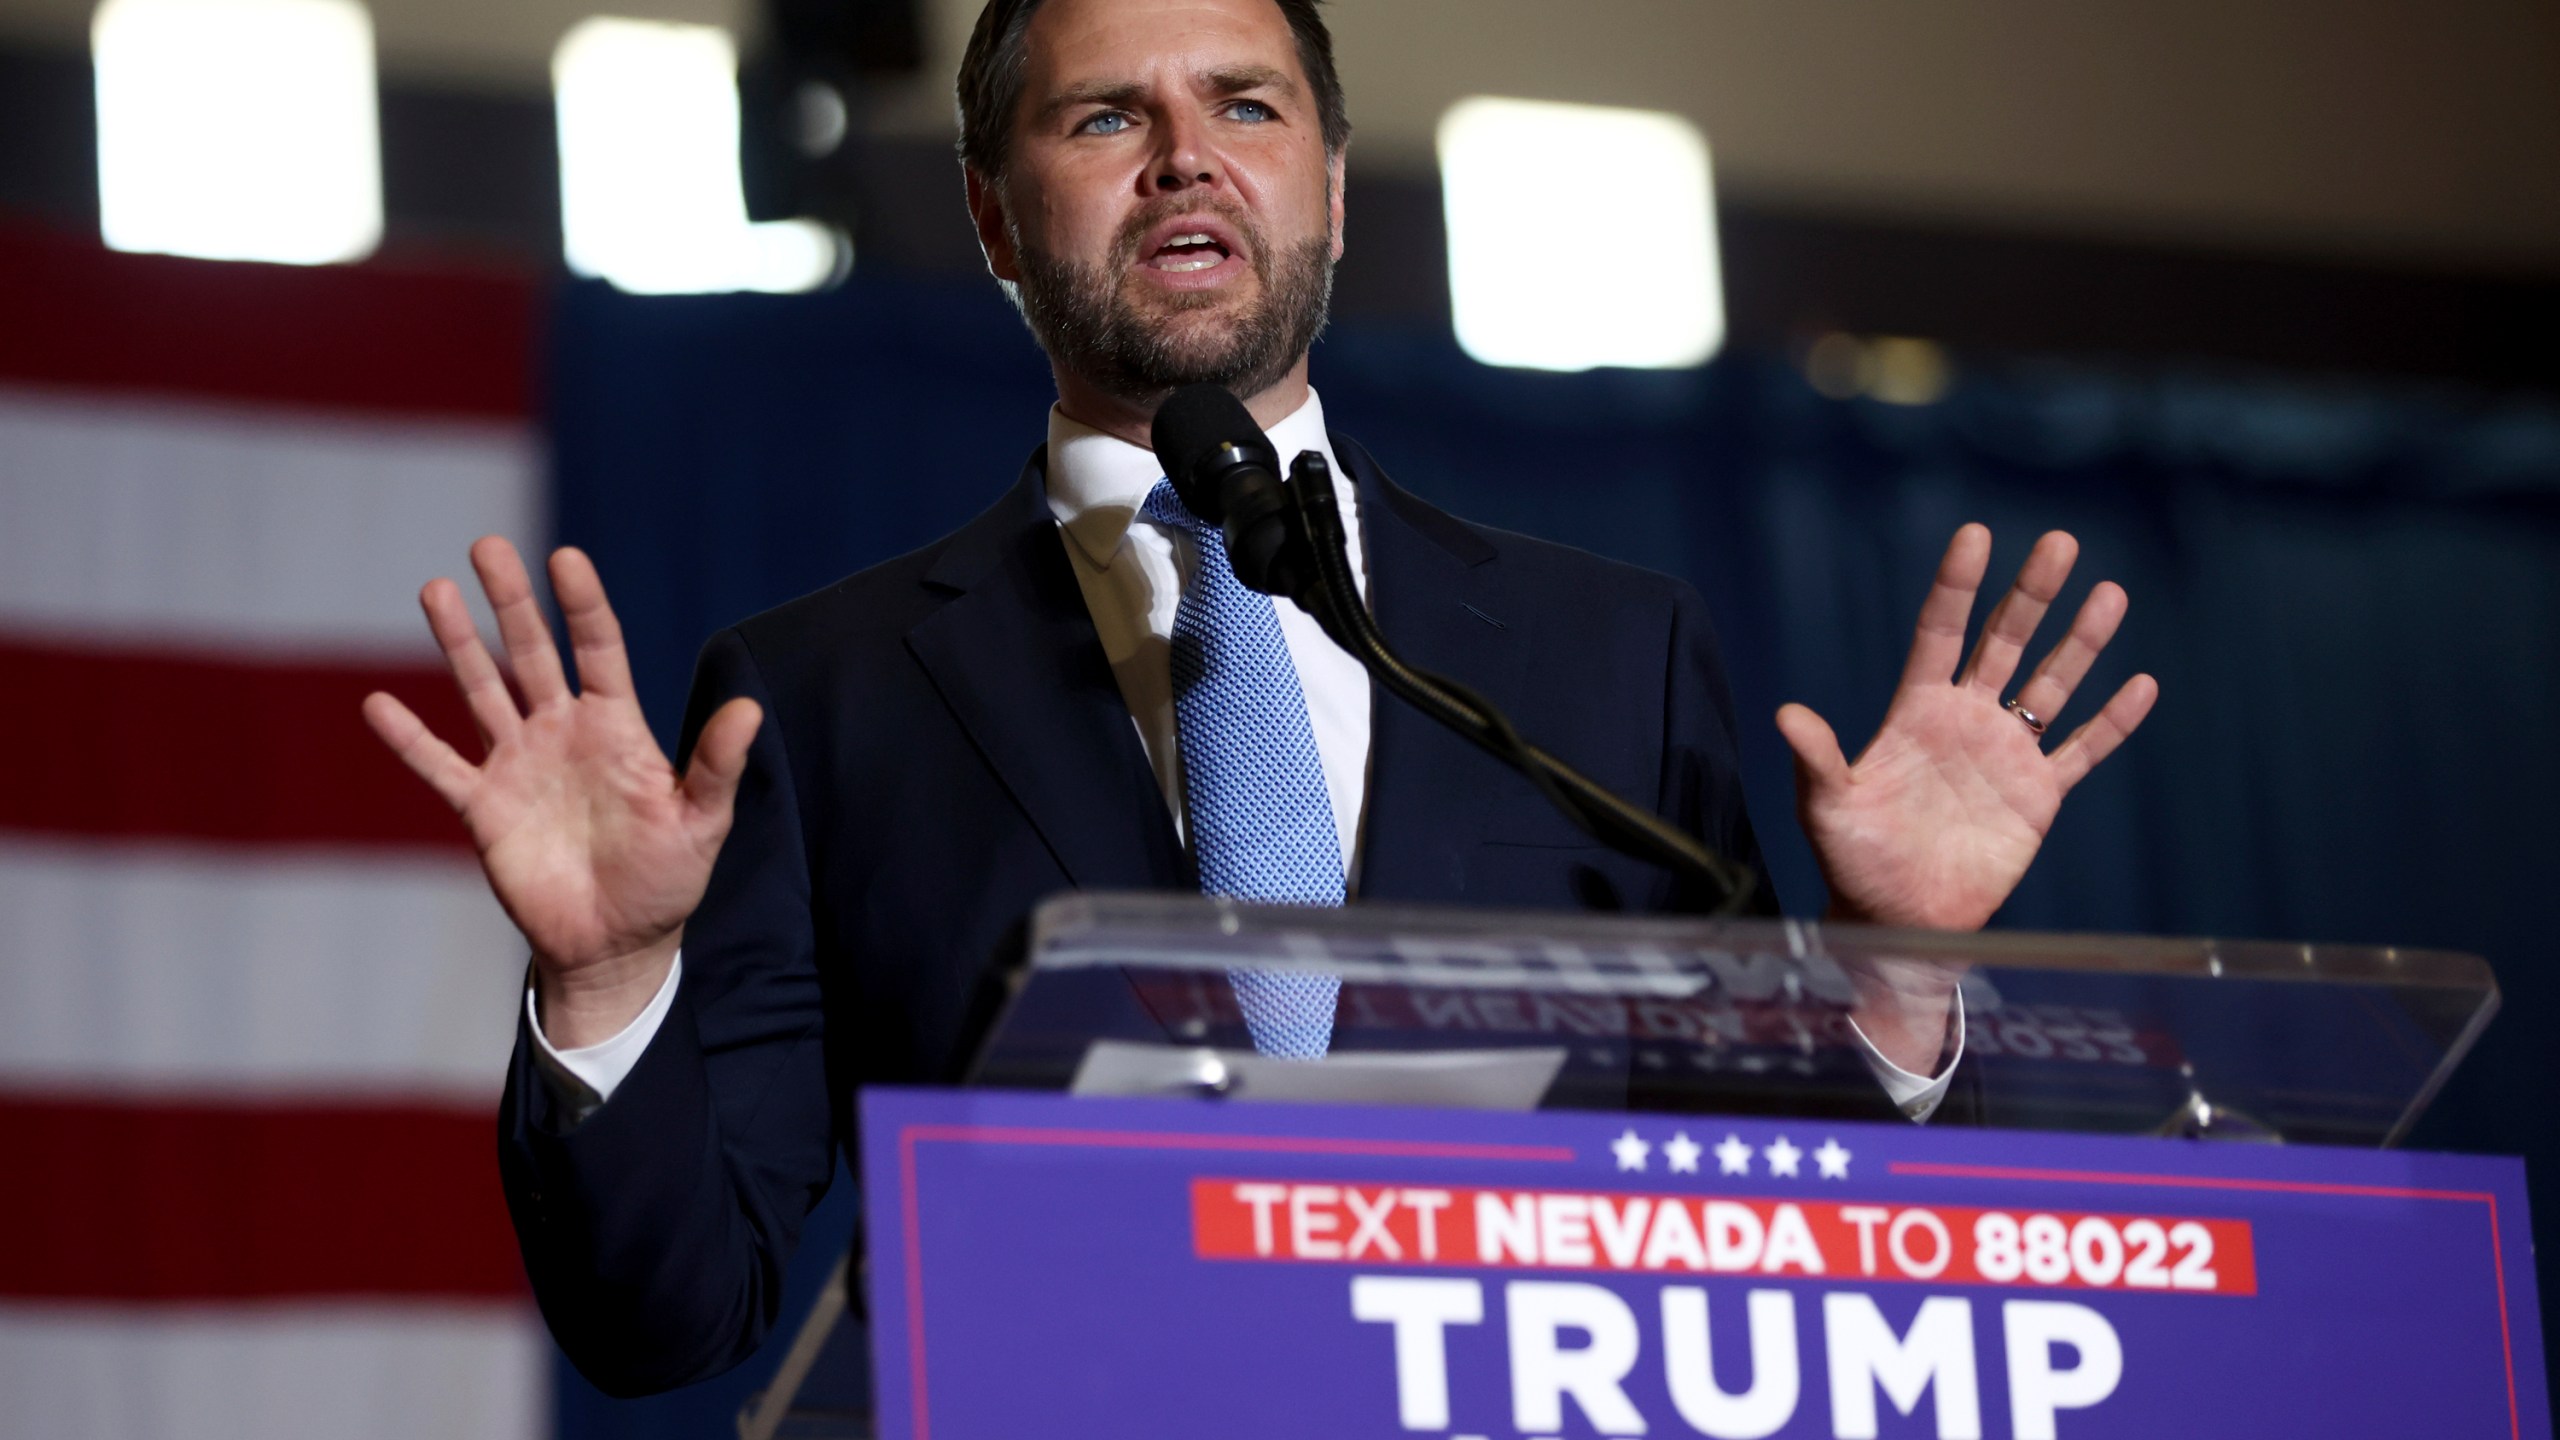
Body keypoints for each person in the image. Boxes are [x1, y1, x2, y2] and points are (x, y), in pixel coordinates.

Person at [362, 0, 2156, 1395]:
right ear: (994, 214)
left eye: (1245, 104)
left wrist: (1894, 974)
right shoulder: (824, 701)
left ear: (1333, 185)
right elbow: (671, 1317)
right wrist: (608, 986)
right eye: (1103, 116)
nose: (1184, 161)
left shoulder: (1604, 657)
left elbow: (1793, 1242)